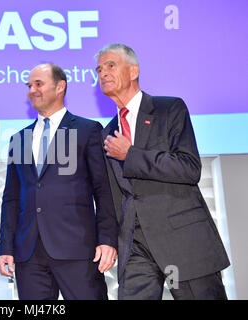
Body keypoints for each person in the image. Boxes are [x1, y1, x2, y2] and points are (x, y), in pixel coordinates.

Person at [96, 43, 230, 299]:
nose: (103, 73)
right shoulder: (108, 133)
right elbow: (114, 197)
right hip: (135, 247)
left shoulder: (169, 109)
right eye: (99, 69)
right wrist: (110, 240)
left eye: (111, 65)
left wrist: (131, 155)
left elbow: (189, 168)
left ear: (133, 71)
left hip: (182, 241)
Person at [0, 63, 118, 300]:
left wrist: (107, 240)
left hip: (78, 250)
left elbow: (103, 191)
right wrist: (6, 248)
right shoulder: (19, 139)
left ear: (60, 86)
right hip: (29, 255)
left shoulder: (87, 130)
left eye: (38, 84)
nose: (32, 90)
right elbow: (11, 198)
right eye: (29, 86)